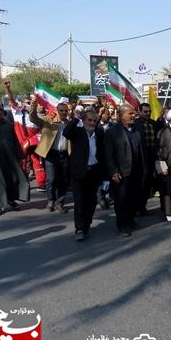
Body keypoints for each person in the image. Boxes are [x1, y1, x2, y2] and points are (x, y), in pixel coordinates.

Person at [63, 107, 105, 241]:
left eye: (94, 120)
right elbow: (66, 132)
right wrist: (76, 118)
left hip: (94, 172)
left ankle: (86, 224)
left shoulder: (99, 133)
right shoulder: (77, 132)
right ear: (84, 120)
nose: (92, 123)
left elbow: (103, 153)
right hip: (79, 173)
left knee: (91, 201)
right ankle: (80, 228)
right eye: (89, 120)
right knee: (80, 201)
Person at [104, 104, 146, 237]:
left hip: (136, 171)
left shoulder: (137, 130)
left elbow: (142, 151)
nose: (134, 116)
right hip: (121, 173)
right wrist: (114, 171)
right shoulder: (112, 132)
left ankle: (131, 220)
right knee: (121, 200)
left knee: (133, 198)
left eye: (134, 114)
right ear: (121, 116)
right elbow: (108, 155)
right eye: (130, 114)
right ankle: (122, 225)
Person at [29, 100, 71, 213]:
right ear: (57, 111)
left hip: (64, 155)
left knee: (63, 180)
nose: (64, 113)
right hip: (51, 154)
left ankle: (59, 203)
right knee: (51, 179)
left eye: (66, 111)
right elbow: (33, 119)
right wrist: (33, 108)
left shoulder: (69, 123)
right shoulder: (49, 120)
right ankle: (51, 201)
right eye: (61, 110)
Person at [3, 80, 46, 191]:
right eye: (27, 102)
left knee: (38, 162)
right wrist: (8, 89)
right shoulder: (18, 112)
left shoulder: (40, 115)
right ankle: (22, 183)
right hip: (22, 142)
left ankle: (41, 183)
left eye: (31, 102)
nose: (29, 104)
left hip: (35, 142)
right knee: (22, 163)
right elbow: (12, 101)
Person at [134, 102, 160, 215]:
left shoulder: (154, 124)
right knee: (140, 184)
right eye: (145, 111)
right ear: (139, 112)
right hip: (140, 159)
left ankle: (142, 206)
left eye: (149, 111)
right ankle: (138, 208)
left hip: (152, 157)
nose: (148, 113)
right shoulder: (135, 125)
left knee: (148, 184)